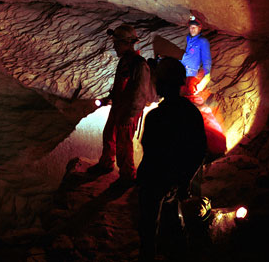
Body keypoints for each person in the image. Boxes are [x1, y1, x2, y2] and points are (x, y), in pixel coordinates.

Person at [136, 57, 207, 261]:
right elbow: (198, 150)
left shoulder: (156, 117)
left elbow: (150, 151)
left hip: (155, 180)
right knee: (173, 227)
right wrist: (182, 181)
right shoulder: (191, 113)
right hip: (172, 181)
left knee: (149, 229)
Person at [87, 24, 152, 185]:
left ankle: (127, 175)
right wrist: (109, 98)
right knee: (109, 134)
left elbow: (140, 92)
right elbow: (121, 86)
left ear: (127, 43)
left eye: (117, 43)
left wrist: (130, 115)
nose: (114, 46)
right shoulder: (125, 61)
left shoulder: (139, 64)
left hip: (129, 110)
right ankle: (106, 164)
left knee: (124, 142)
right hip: (119, 106)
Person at [180, 16, 212, 104]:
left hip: (192, 75)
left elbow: (207, 59)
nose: (192, 29)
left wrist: (206, 76)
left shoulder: (203, 41)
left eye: (194, 27)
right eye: (190, 27)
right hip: (183, 71)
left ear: (200, 28)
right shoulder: (188, 38)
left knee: (189, 98)